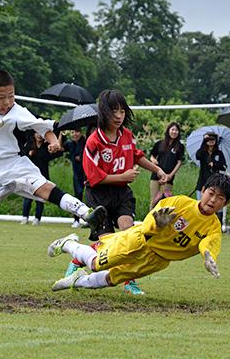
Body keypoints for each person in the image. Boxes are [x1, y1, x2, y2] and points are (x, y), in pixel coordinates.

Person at [0, 70, 106, 305]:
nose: (7, 102)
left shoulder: (18, 112)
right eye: (1, 97)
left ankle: (86, 213)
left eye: (11, 95)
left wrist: (52, 142)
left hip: (15, 164)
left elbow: (44, 127)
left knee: (45, 187)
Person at [47, 173, 230, 293]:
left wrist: (208, 256)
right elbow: (151, 220)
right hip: (140, 241)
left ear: (225, 204)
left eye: (220, 198)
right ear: (202, 191)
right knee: (97, 264)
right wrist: (157, 224)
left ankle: (77, 281)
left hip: (158, 260)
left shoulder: (213, 227)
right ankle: (70, 243)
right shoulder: (180, 203)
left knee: (113, 279)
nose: (213, 200)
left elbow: (209, 244)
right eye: (211, 193)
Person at [70, 89, 169, 296]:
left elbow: (137, 156)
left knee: (128, 237)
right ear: (103, 112)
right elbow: (93, 178)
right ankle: (77, 259)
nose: (118, 116)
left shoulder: (127, 135)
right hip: (98, 195)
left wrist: (157, 170)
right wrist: (123, 176)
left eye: (122, 111)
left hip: (122, 194)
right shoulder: (93, 142)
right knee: (110, 245)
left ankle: (129, 281)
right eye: (113, 111)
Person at [21, 132, 63, 225]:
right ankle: (25, 217)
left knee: (40, 199)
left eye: (41, 133)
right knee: (27, 198)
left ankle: (37, 218)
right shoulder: (29, 145)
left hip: (42, 176)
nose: (39, 135)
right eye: (37, 133)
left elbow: (59, 152)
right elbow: (21, 156)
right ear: (34, 134)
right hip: (29, 176)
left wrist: (59, 136)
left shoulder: (47, 146)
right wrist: (28, 154)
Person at [149, 122, 185, 209]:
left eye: (176, 130)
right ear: (168, 131)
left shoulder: (180, 146)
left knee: (164, 202)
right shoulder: (159, 143)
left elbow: (179, 162)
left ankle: (162, 222)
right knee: (153, 201)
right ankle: (150, 221)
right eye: (172, 129)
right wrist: (153, 160)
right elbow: (152, 156)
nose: (174, 132)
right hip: (156, 175)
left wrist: (170, 175)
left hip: (168, 177)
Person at [63, 128, 86, 228]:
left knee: (90, 196)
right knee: (78, 194)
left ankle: (89, 218)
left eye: (76, 132)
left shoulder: (86, 142)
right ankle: (76, 219)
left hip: (87, 173)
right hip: (77, 174)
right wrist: (61, 134)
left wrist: (81, 157)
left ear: (81, 133)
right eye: (72, 132)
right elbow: (60, 147)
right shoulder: (71, 143)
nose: (75, 134)